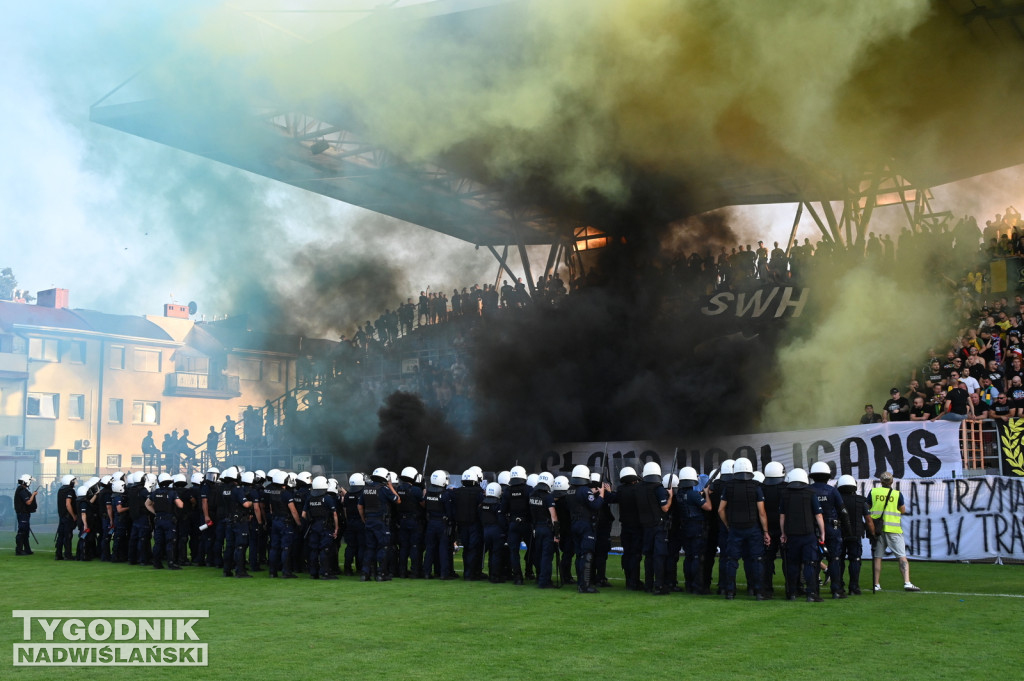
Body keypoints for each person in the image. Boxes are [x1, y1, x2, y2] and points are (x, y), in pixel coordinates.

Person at [718, 458, 769, 600]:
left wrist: (728, 525)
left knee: (731, 560)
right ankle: (757, 591)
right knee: (757, 559)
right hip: (753, 528)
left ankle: (730, 592)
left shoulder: (728, 487)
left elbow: (721, 509)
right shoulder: (756, 487)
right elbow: (762, 512)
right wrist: (765, 531)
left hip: (735, 528)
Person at [779, 468, 826, 602]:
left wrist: (783, 533)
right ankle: (811, 594)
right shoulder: (810, 493)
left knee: (793, 564)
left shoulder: (785, 494)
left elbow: (782, 516)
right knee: (809, 563)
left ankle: (792, 593)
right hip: (808, 534)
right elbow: (818, 515)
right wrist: (822, 533)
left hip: (791, 534)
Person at [870, 472, 920, 592]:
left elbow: (868, 506)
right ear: (892, 482)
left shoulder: (873, 492)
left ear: (880, 482)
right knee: (902, 557)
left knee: (877, 557)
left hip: (878, 530)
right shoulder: (897, 494)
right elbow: (902, 510)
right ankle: (907, 582)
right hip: (893, 529)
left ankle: (876, 584)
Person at [808, 462, 849, 599]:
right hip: (832, 528)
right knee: (835, 558)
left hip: (813, 529)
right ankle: (836, 591)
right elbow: (843, 511)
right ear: (827, 476)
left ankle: (813, 591)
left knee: (814, 560)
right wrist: (847, 529)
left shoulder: (808, 490)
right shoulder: (832, 490)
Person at [836, 475, 873, 595]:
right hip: (855, 534)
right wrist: (873, 533)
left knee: (838, 560)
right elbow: (868, 520)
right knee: (855, 560)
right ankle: (854, 587)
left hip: (839, 534)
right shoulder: (861, 500)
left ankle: (839, 586)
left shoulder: (836, 499)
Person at [677, 467, 712, 594]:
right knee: (697, 557)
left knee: (689, 557)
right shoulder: (692, 494)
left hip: (685, 527)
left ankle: (689, 585)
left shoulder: (679, 494)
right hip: (697, 527)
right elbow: (708, 507)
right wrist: (707, 494)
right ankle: (697, 586)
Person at [302, 476, 339, 579]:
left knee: (314, 550)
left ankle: (314, 573)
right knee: (325, 550)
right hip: (325, 527)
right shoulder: (327, 498)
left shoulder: (309, 498)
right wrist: (336, 528)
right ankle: (325, 573)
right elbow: (334, 514)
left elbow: (303, 515)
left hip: (313, 526)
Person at [146, 473, 184, 570]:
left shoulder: (155, 492)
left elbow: (147, 504)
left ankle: (157, 563)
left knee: (158, 542)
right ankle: (171, 563)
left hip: (158, 519)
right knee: (170, 541)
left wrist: (155, 513)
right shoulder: (172, 492)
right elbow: (180, 505)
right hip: (169, 520)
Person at [527, 473, 558, 589]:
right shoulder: (548, 497)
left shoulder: (532, 495)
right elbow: (553, 516)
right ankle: (545, 581)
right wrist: (557, 533)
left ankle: (539, 577)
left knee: (538, 554)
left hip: (536, 528)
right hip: (547, 528)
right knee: (546, 556)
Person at [14, 473, 39, 555]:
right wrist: (33, 495)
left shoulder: (21, 489)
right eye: (30, 482)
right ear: (26, 482)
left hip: (24, 514)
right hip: (23, 514)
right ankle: (19, 550)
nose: (30, 483)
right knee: (22, 532)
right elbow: (28, 502)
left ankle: (27, 549)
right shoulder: (22, 490)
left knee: (25, 532)